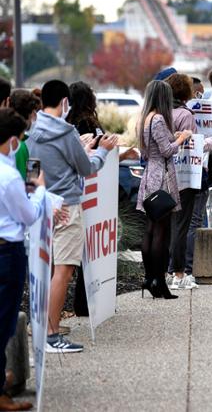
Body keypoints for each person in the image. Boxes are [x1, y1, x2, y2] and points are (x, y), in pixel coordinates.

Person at [27, 80, 118, 353]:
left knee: (46, 270)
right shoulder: (66, 132)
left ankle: (44, 327)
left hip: (43, 207)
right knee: (63, 270)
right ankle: (52, 334)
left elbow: (33, 172)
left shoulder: (32, 133)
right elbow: (87, 168)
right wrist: (103, 150)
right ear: (65, 102)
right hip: (68, 206)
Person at [165, 73, 212, 289]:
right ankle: (181, 273)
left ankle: (170, 269)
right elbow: (196, 146)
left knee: (171, 225)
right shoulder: (185, 115)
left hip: (165, 173)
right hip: (187, 175)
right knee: (186, 225)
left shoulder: (160, 114)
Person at [0, 108, 44, 411]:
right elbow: (28, 216)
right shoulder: (9, 176)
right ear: (11, 141)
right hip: (7, 252)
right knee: (3, 322)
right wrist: (39, 192)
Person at [137, 80, 192, 299]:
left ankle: (150, 278)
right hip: (161, 179)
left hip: (149, 175)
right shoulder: (158, 119)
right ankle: (158, 281)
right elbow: (167, 150)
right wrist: (181, 138)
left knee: (150, 230)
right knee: (161, 231)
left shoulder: (145, 118)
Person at [9, 89, 41, 180]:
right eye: (34, 112)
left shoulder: (8, 138)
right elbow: (32, 182)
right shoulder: (20, 145)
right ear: (32, 115)